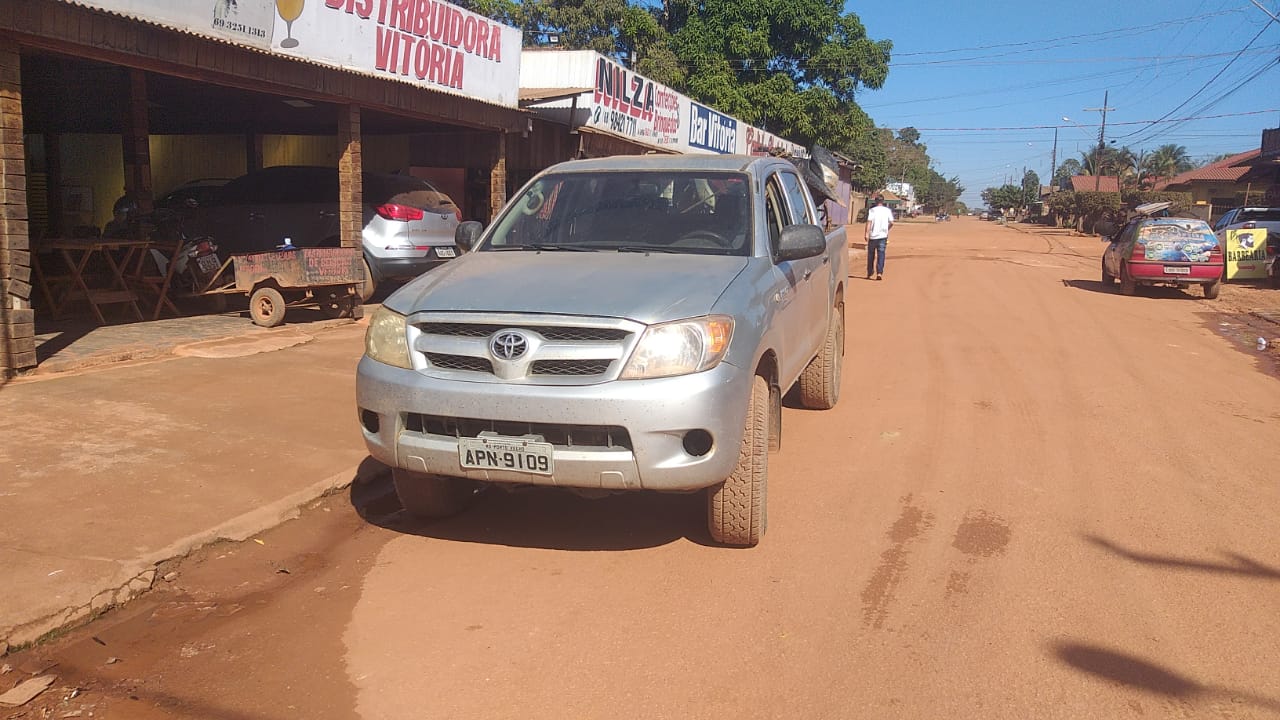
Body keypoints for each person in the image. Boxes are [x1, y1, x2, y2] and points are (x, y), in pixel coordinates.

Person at [864, 194, 894, 280]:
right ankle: (879, 273)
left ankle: (870, 272)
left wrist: (866, 233)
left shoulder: (872, 210)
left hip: (873, 236)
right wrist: (886, 229)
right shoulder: (887, 210)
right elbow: (892, 222)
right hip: (883, 236)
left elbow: (869, 222)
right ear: (883, 201)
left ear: (876, 201)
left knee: (871, 255)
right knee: (881, 254)